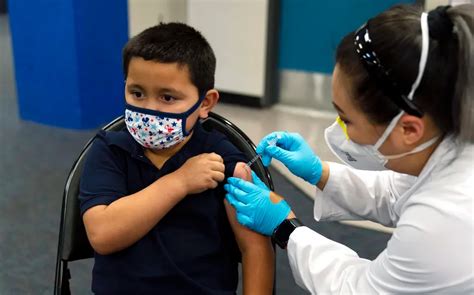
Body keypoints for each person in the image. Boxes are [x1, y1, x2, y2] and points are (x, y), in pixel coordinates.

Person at [224, 4, 474, 294]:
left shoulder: (445, 220)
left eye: (346, 119)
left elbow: (357, 289)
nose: (339, 129)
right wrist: (319, 172)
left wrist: (285, 227)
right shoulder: (451, 139)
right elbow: (398, 193)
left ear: (408, 129)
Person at [79, 23, 274, 294]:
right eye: (137, 93)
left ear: (205, 103)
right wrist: (180, 182)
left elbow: (255, 248)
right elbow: (102, 235)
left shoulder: (223, 157)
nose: (149, 109)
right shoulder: (110, 150)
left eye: (167, 97)